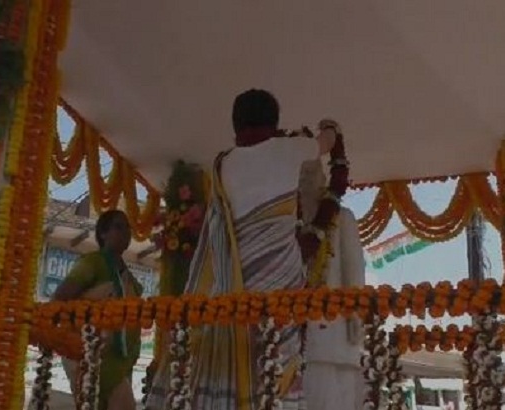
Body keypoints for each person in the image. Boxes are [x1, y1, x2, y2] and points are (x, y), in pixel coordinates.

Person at [146, 89, 337, 410]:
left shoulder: (223, 164)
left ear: (235, 127)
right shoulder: (290, 150)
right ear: (275, 124)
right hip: (280, 289)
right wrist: (330, 127)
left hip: (230, 295)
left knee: (233, 365)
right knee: (278, 366)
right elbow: (326, 142)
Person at [53, 210, 142, 410]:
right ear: (103, 233)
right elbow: (59, 299)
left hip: (119, 363)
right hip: (89, 357)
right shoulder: (93, 263)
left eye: (128, 228)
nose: (126, 232)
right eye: (119, 227)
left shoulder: (129, 277)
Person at [299, 160, 366, 410]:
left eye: (309, 176)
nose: (304, 183)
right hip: (298, 344)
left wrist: (356, 325)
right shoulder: (290, 225)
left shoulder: (343, 218)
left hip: (337, 341)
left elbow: (355, 273)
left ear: (321, 182)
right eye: (300, 178)